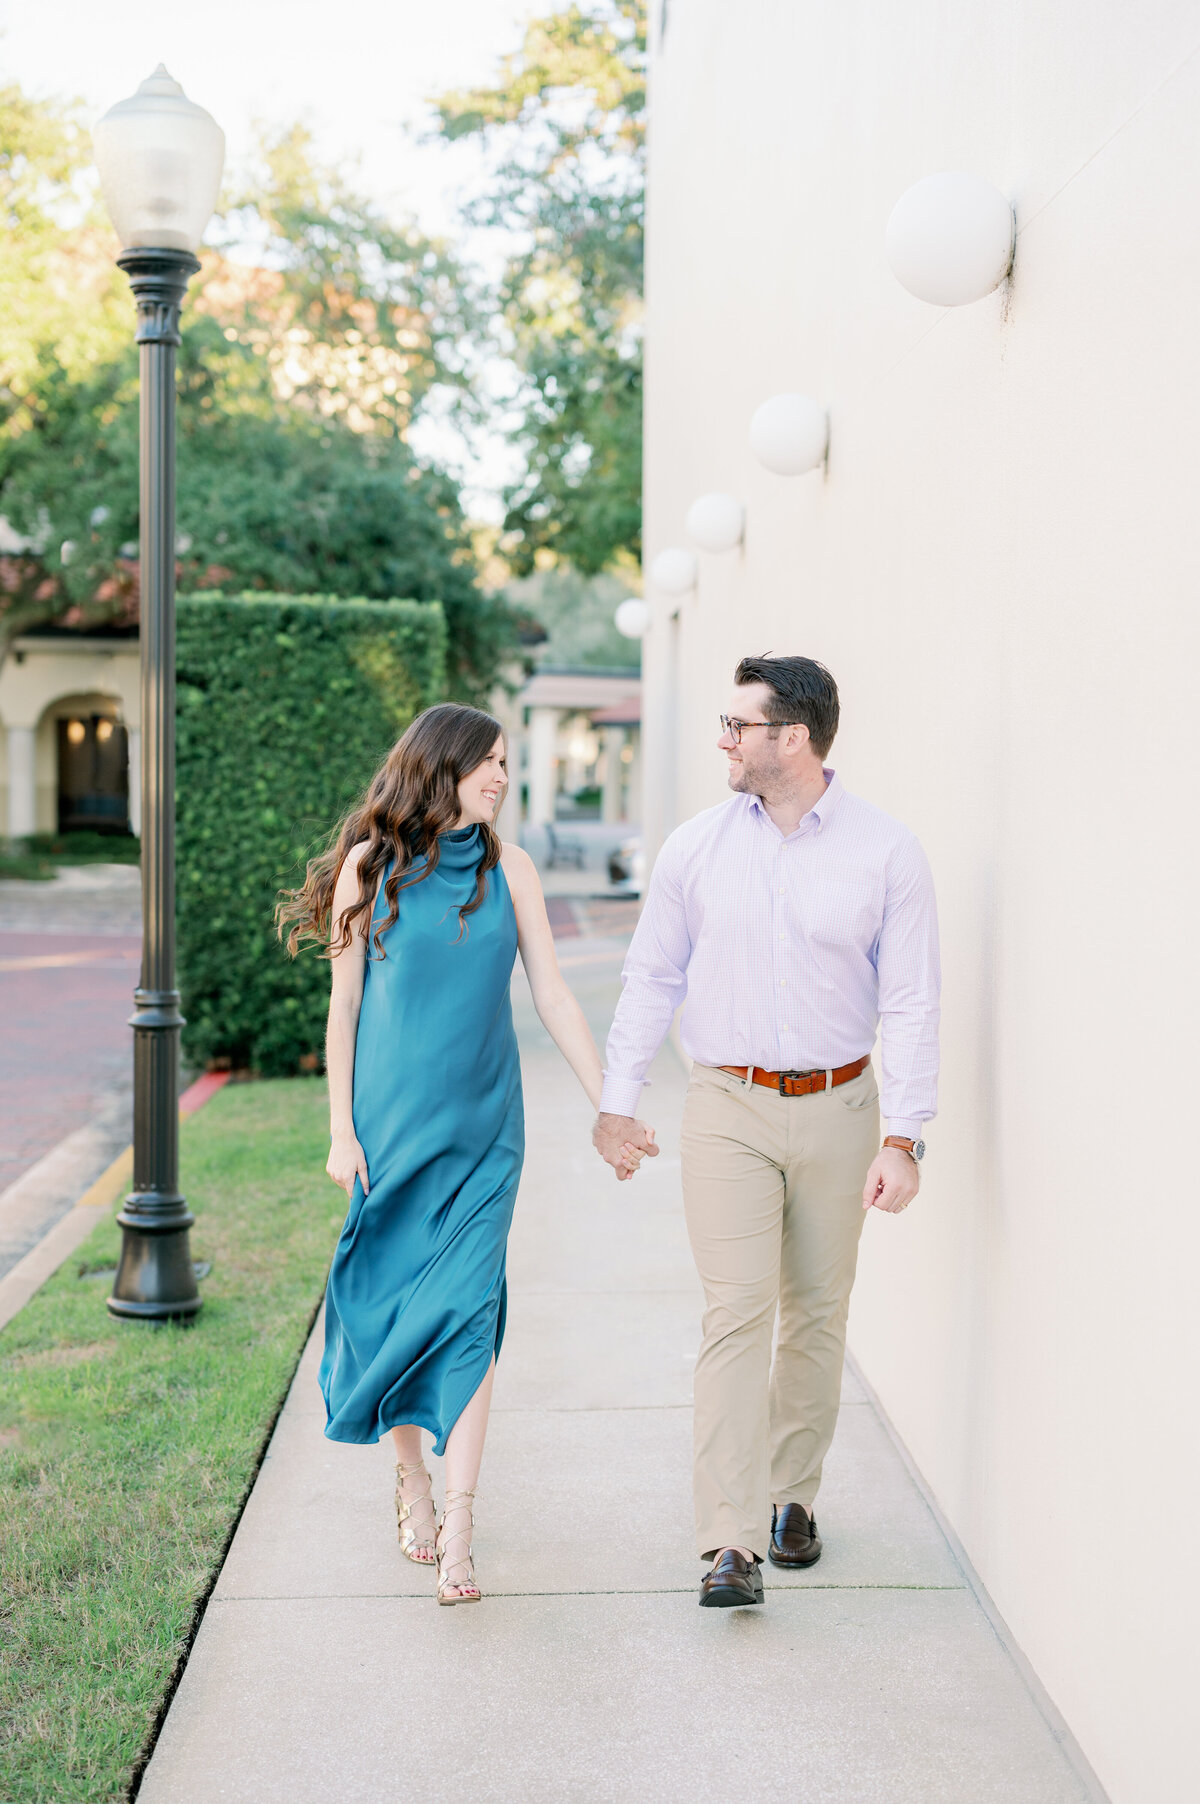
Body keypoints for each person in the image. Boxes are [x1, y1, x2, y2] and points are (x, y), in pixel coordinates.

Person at [279, 703, 651, 1604]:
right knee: (388, 1308)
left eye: (506, 765)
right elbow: (344, 1012)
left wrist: (611, 1103)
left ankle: (461, 1523)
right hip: (391, 1130)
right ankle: (409, 1480)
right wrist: (340, 1130)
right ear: (439, 767)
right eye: (487, 762)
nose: (500, 779)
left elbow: (556, 996)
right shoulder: (372, 869)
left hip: (486, 1132)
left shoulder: (511, 869)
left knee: (469, 1312)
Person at [592, 655, 940, 1608]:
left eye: (736, 724)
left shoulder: (886, 852)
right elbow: (651, 978)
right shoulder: (695, 849)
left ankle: (793, 1500)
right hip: (728, 1107)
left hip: (842, 1107)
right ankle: (729, 1541)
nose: (722, 740)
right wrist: (618, 1101)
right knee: (737, 1314)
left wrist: (904, 1135)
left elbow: (910, 1004)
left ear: (793, 737)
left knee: (818, 1315)